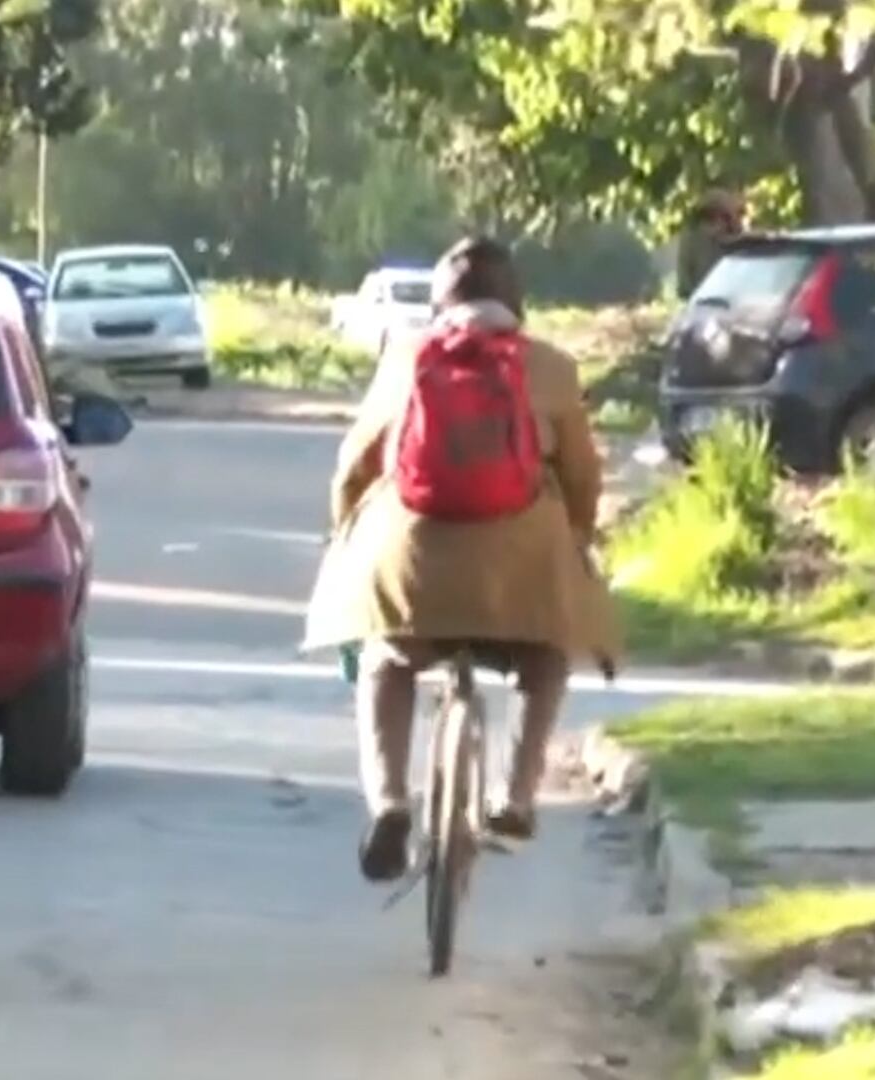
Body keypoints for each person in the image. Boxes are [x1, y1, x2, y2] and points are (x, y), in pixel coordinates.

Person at [301, 236, 621, 883]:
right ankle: (515, 795)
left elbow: (355, 464)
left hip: (415, 571)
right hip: (519, 578)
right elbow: (584, 476)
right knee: (545, 659)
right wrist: (579, 537)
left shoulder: (407, 359)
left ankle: (390, 803)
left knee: (386, 662)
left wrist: (344, 536)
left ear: (439, 303)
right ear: (517, 304)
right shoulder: (553, 369)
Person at [675, 189, 745, 299]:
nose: (736, 221)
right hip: (704, 304)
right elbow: (685, 284)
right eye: (727, 216)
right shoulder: (692, 239)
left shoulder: (737, 242)